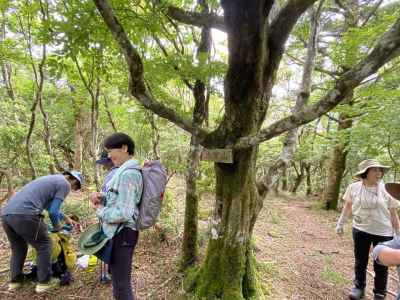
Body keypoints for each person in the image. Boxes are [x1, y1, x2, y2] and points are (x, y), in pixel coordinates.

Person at [1, 170, 83, 293]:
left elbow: (49, 207)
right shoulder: (65, 184)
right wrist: (58, 227)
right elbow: (53, 212)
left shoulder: (50, 179)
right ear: (74, 180)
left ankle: (15, 282)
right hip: (26, 214)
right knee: (45, 244)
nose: (71, 190)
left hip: (7, 215)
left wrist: (66, 218)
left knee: (18, 248)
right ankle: (44, 283)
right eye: (75, 187)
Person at [336, 159, 400, 300]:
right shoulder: (354, 188)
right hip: (360, 229)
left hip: (383, 232)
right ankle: (359, 288)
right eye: (375, 170)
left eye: (380, 170)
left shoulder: (387, 189)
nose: (379, 173)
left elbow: (393, 213)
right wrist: (340, 224)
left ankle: (379, 292)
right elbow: (347, 206)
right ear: (365, 173)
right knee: (360, 260)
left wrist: (398, 233)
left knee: (381, 264)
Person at [90, 132, 142, 300]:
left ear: (124, 148)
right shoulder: (123, 172)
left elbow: (124, 213)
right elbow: (121, 200)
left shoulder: (128, 174)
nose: (109, 155)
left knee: (121, 284)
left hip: (123, 234)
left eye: (111, 150)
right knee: (119, 282)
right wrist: (103, 198)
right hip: (119, 233)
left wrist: (100, 210)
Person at [91, 150, 119, 283]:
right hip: (116, 216)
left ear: (109, 161)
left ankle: (109, 273)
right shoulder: (121, 172)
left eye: (104, 163)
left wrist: (98, 203)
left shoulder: (112, 174)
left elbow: (106, 196)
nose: (103, 166)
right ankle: (112, 271)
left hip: (109, 215)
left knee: (107, 242)